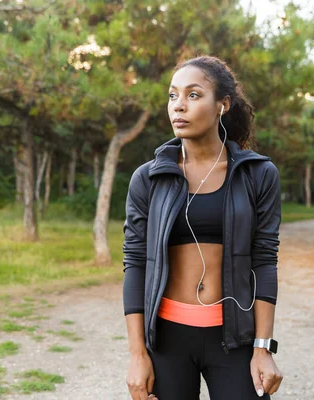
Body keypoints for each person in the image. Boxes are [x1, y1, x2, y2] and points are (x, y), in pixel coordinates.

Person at [122, 55, 283, 400]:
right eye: (172, 96)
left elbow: (264, 261)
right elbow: (134, 263)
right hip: (167, 340)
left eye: (193, 95)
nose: (179, 106)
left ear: (223, 105)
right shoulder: (148, 179)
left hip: (235, 338)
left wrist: (263, 347)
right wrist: (138, 355)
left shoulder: (258, 175)